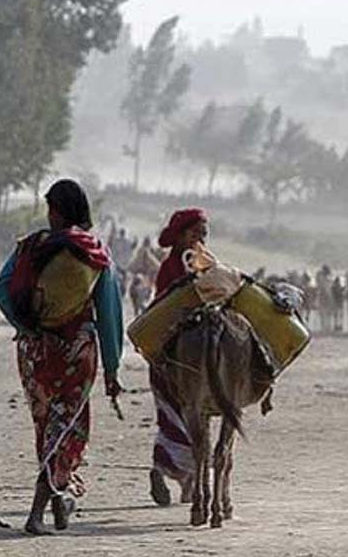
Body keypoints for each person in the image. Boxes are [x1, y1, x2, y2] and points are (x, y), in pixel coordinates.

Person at [0, 179, 123, 535]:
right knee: (66, 428)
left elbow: (1, 290)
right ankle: (37, 513)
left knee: (45, 426)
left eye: (51, 208)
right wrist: (112, 368)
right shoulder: (96, 252)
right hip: (76, 353)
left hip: (34, 354)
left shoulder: (31, 246)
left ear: (56, 210)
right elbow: (109, 314)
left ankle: (58, 501)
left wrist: (29, 327)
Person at [147, 208, 209, 506]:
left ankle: (168, 470)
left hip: (170, 351)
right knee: (189, 415)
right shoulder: (172, 267)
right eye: (195, 233)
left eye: (204, 234)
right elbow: (165, 305)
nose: (200, 238)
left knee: (171, 417)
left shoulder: (202, 262)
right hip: (176, 350)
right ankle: (184, 475)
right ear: (182, 234)